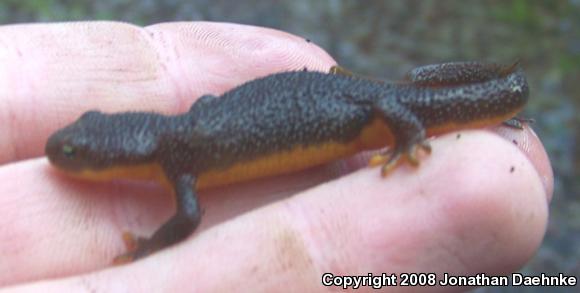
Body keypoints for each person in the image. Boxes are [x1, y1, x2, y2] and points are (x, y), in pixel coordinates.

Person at [0, 22, 552, 291]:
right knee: (393, 98)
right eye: (75, 149)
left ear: (128, 151)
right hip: (338, 102)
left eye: (78, 152)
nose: (66, 157)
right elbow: (208, 120)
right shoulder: (180, 147)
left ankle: (427, 122)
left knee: (405, 108)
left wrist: (149, 246)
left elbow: (188, 218)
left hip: (359, 111)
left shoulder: (178, 158)